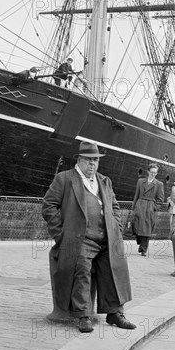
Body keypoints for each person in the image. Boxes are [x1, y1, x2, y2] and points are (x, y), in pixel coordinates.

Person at [41, 141, 136, 334]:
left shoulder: (104, 181)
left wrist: (116, 227)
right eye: (89, 160)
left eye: (96, 161)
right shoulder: (65, 179)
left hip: (107, 237)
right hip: (80, 238)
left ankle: (114, 313)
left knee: (113, 268)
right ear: (80, 160)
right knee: (82, 268)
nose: (93, 165)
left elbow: (115, 206)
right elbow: (48, 206)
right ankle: (83, 315)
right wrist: (61, 234)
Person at [129, 163, 164, 257]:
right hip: (140, 206)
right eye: (152, 172)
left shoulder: (159, 184)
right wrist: (134, 207)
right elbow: (136, 195)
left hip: (150, 208)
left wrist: (154, 208)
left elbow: (160, 199)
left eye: (155, 172)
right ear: (148, 171)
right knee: (136, 225)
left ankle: (144, 249)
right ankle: (140, 241)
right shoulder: (140, 181)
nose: (153, 174)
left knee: (147, 229)